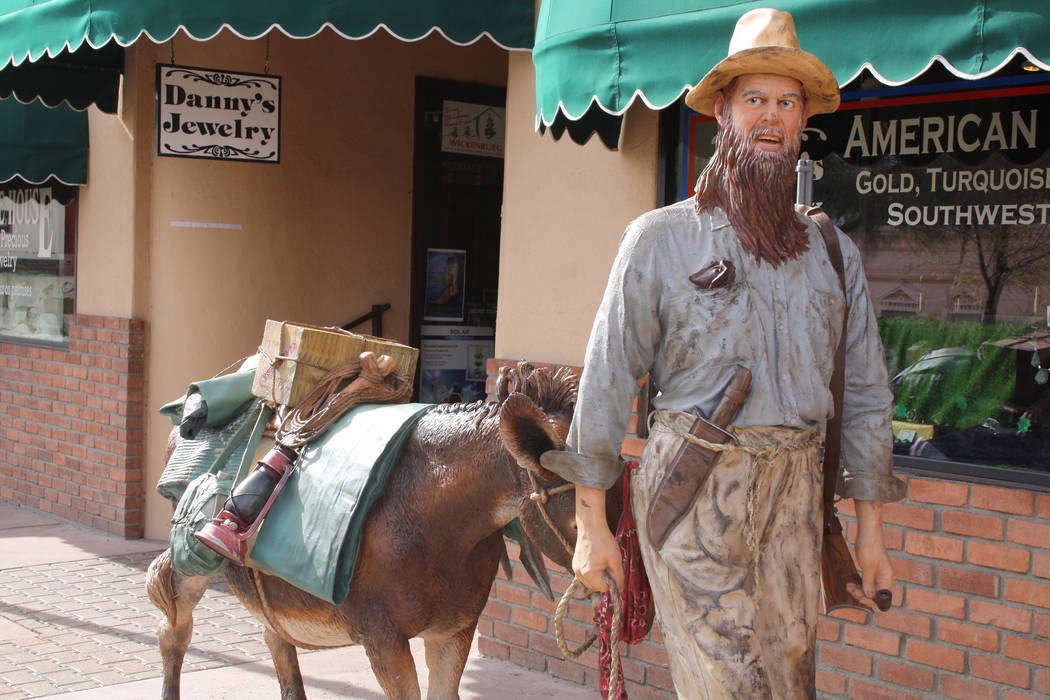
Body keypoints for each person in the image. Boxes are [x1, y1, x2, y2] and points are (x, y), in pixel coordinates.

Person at [540, 8, 905, 698]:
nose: (772, 117)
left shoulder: (834, 255)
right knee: (728, 687)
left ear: (803, 122)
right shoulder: (659, 239)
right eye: (755, 100)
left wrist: (871, 534)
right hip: (694, 486)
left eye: (787, 102)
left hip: (797, 496)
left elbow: (864, 396)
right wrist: (589, 524)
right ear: (722, 112)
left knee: (791, 682)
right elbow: (609, 380)